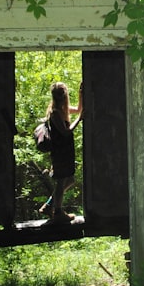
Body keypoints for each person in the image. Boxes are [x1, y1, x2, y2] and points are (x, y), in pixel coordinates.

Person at [39, 80, 83, 223]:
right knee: (61, 181)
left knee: (69, 180)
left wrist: (80, 94)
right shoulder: (55, 113)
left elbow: (78, 109)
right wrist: (80, 120)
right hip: (60, 152)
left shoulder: (62, 110)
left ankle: (49, 205)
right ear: (63, 96)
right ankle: (58, 212)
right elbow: (65, 132)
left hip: (65, 151)